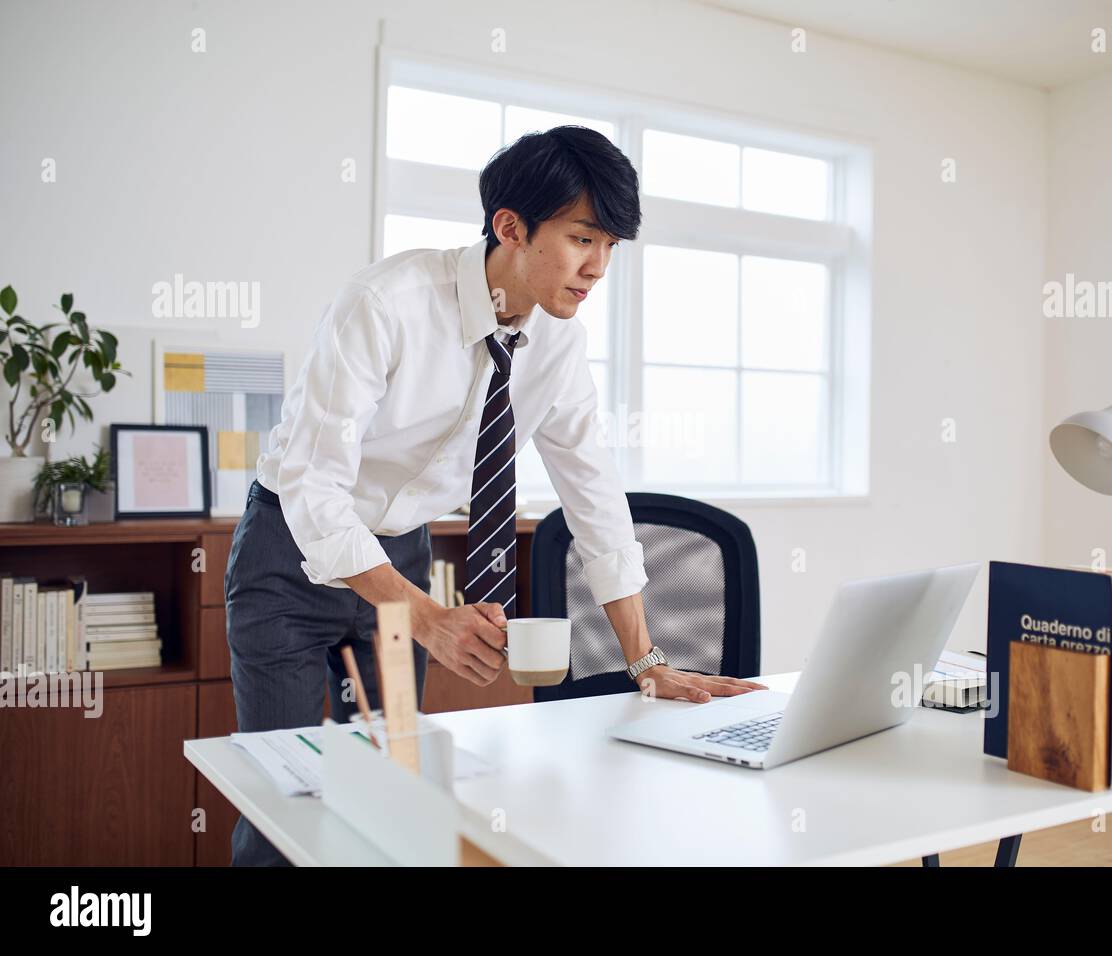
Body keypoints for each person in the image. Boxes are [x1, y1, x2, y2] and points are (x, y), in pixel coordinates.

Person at [224, 126, 765, 865]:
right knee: (285, 804)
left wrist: (646, 662)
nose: (598, 267)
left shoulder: (559, 346)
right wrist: (425, 618)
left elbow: (595, 499)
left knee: (392, 792)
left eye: (610, 246)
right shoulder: (385, 304)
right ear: (510, 227)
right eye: (583, 239)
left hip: (400, 549)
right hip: (289, 552)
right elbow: (313, 487)